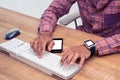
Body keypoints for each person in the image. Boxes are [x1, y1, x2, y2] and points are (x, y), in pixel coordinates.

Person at [30, 0, 120, 68]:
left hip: (112, 48)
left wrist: (91, 47)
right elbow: (54, 9)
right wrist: (45, 32)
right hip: (81, 40)